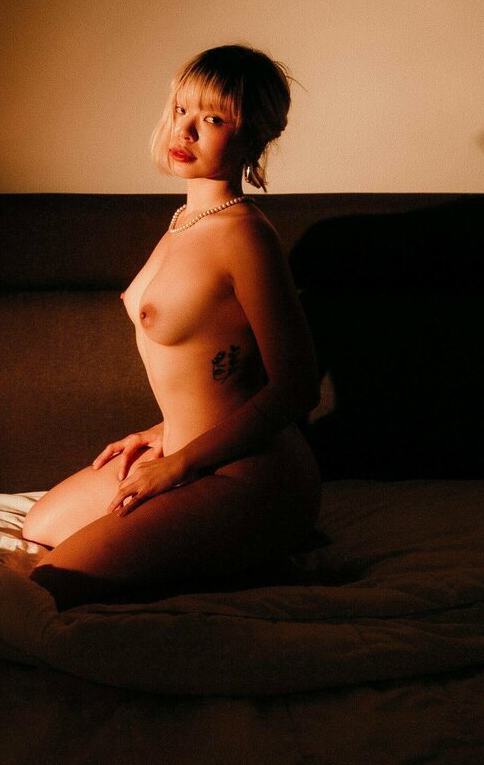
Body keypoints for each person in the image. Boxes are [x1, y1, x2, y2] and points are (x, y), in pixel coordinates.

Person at [23, 43, 321, 609]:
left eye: (213, 119)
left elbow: (297, 386)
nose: (185, 129)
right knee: (41, 527)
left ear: (255, 135)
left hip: (247, 472)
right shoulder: (185, 219)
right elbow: (208, 362)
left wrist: (179, 466)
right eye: (182, 109)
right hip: (189, 449)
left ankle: (257, 545)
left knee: (50, 586)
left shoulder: (246, 236)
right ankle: (212, 555)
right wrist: (164, 431)